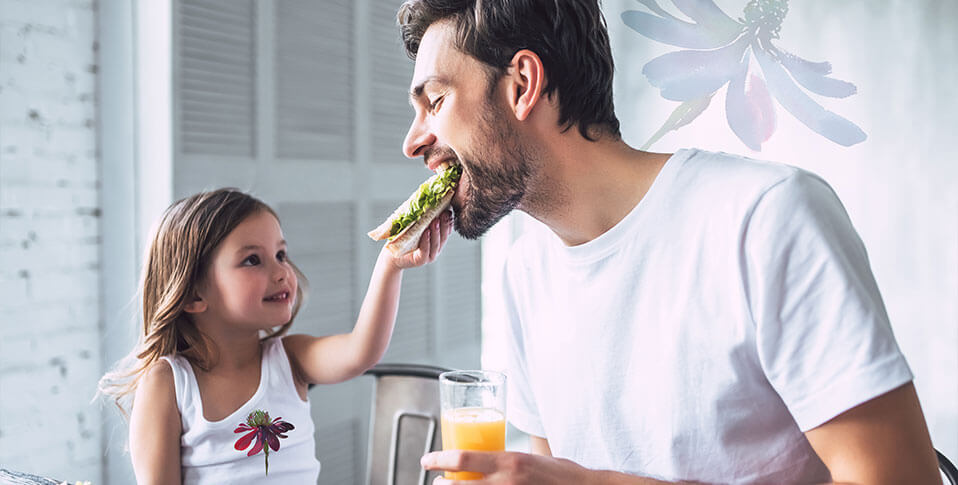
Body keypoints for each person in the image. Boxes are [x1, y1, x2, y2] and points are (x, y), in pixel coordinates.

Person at [396, 1, 942, 483]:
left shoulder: (766, 218)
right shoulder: (524, 273)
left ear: (522, 84)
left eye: (436, 101)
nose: (412, 141)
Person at [97, 188, 452, 484]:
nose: (281, 271)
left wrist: (391, 263)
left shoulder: (290, 358)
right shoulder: (169, 384)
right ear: (193, 295)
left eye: (281, 254)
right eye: (253, 260)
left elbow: (362, 350)